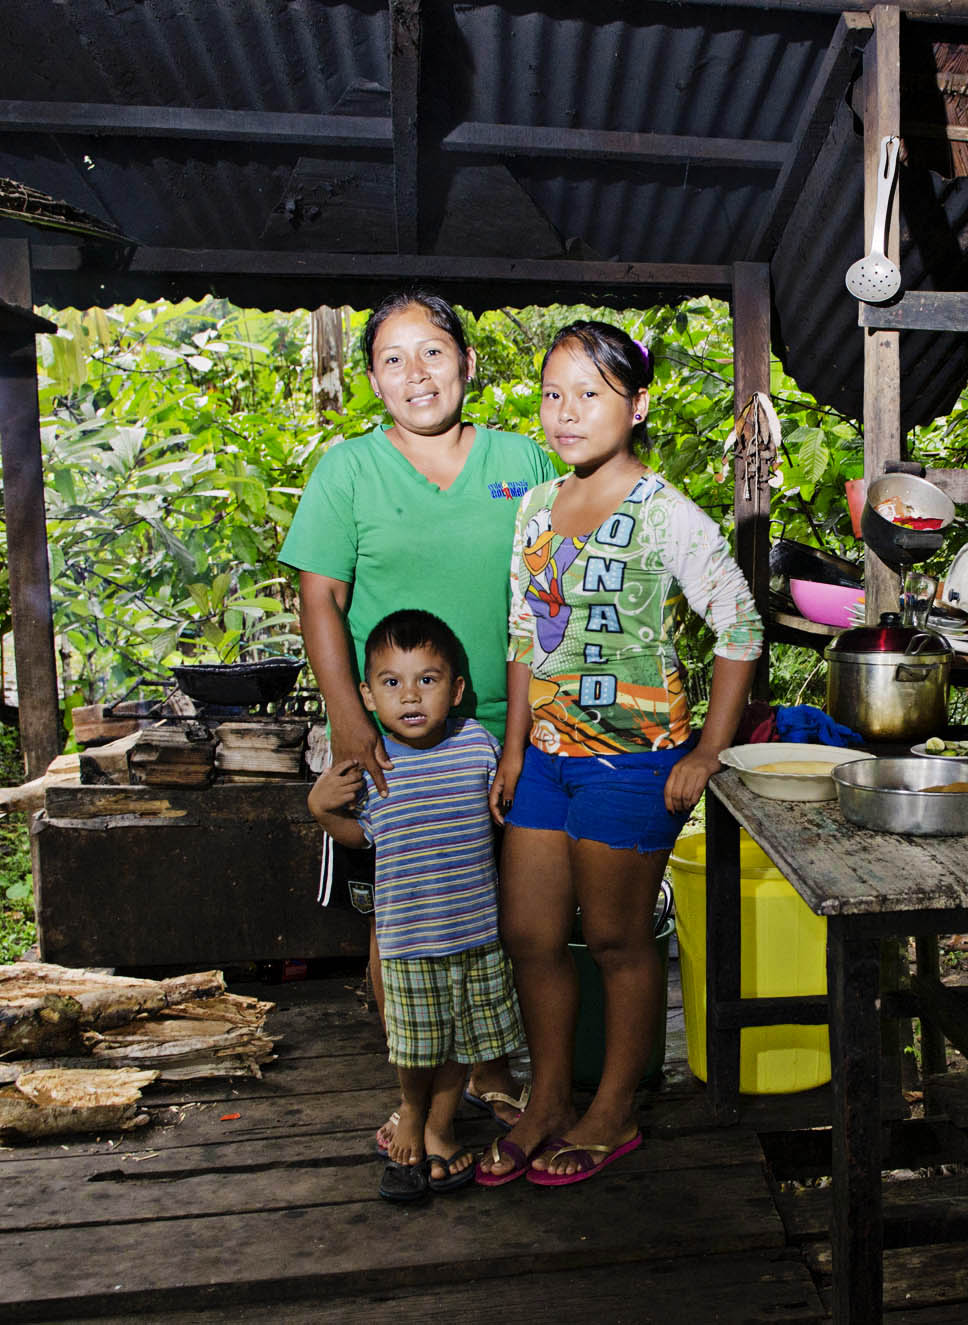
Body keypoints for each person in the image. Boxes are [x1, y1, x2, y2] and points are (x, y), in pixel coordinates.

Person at [477, 320, 762, 1187]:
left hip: (631, 762)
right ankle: (549, 1096)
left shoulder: (665, 512)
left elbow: (739, 626)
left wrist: (709, 751)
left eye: (590, 394)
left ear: (636, 406)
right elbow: (524, 636)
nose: (566, 413)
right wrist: (516, 751)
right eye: (553, 394)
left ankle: (615, 1106)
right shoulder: (533, 509)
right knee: (529, 936)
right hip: (548, 763)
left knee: (614, 938)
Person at [280, 290, 553, 1149]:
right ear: (372, 379)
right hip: (395, 739)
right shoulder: (348, 471)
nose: (416, 374)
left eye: (432, 352)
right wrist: (349, 719)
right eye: (393, 359)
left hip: (518, 728)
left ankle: (495, 1071)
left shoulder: (526, 461)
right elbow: (319, 597)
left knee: (511, 909)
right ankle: (414, 1094)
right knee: (404, 915)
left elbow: (555, 591)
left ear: (467, 364)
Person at [307, 609, 526, 1201]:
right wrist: (322, 811)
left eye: (427, 680)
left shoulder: (478, 744)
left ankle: (437, 1126)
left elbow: (503, 810)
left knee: (460, 1042)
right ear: (366, 693)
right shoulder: (374, 765)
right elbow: (365, 838)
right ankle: (410, 1108)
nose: (410, 696)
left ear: (455, 691)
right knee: (415, 1045)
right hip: (407, 942)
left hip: (476, 934)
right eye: (392, 682)